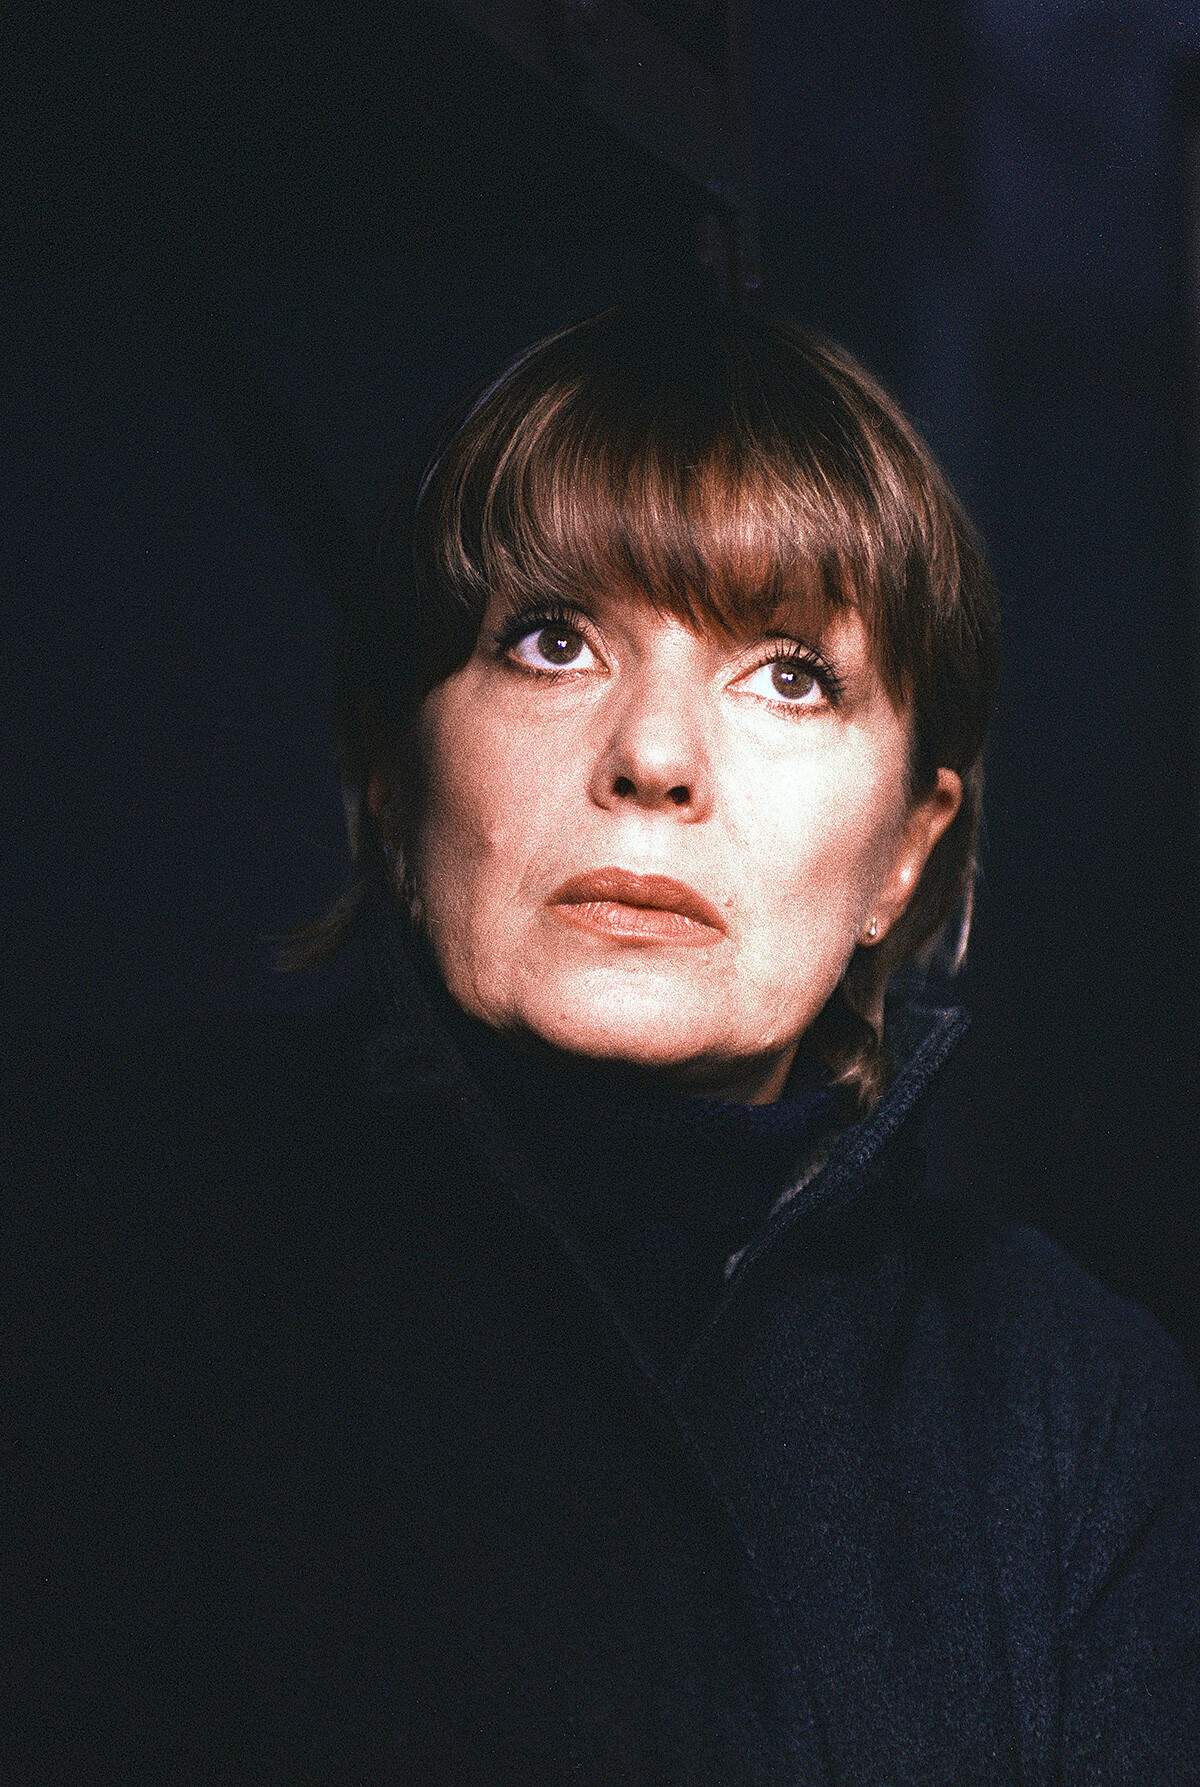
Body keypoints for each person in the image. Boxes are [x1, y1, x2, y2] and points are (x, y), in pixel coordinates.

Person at [6, 299, 1198, 1782]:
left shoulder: (1073, 1416)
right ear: (393, 772)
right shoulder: (97, 1271)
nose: (654, 756)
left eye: (788, 674)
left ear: (903, 852)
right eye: (553, 640)